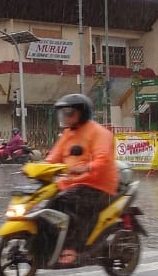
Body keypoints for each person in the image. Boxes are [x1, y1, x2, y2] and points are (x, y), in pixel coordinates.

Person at [42, 93, 119, 265]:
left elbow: (103, 158)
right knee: (47, 203)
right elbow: (53, 158)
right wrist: (38, 169)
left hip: (97, 184)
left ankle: (71, 247)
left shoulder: (99, 133)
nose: (65, 117)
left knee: (67, 204)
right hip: (72, 183)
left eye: (69, 112)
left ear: (81, 112)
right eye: (63, 113)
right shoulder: (68, 134)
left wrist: (86, 167)